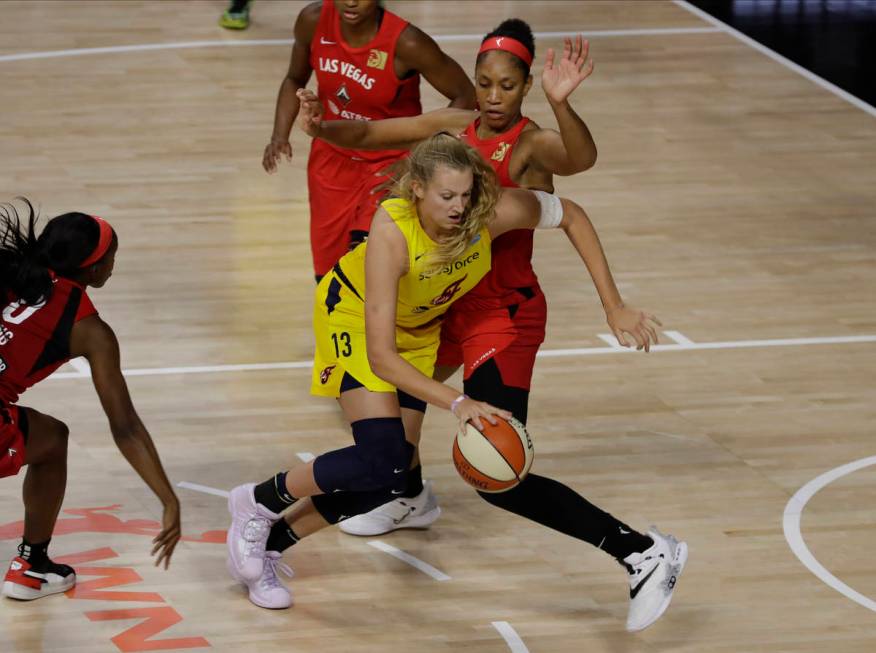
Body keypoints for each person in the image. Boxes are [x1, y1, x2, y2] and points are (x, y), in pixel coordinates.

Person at [294, 20, 688, 632]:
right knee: (394, 404)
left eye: (508, 85)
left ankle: (641, 552)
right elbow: (373, 131)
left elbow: (579, 166)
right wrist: (321, 126)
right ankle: (410, 497)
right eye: (483, 83)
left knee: (498, 472)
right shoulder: (456, 132)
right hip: (445, 304)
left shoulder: (530, 144)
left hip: (502, 315)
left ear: (527, 86)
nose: (493, 95)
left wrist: (613, 304)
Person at [0, 200, 181, 601]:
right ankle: (31, 567)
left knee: (49, 434)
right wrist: (168, 499)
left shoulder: (14, 274)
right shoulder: (90, 330)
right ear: (94, 268)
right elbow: (126, 427)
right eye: (112, 257)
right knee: (52, 442)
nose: (114, 265)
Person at [262, 0, 476, 281]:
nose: (351, 1)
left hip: (390, 165)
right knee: (329, 278)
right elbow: (294, 77)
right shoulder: (312, 20)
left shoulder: (407, 42)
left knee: (372, 266)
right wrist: (280, 134)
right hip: (331, 161)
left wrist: (427, 152)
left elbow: (465, 95)